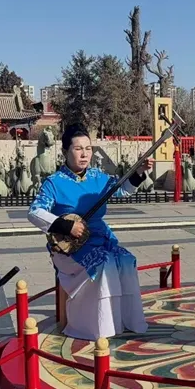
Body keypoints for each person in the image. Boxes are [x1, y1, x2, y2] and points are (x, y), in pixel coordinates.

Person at [28, 125, 152, 341]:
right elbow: (35, 211)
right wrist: (66, 226)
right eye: (78, 149)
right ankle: (97, 327)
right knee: (104, 264)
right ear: (65, 151)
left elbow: (122, 190)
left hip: (101, 239)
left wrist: (139, 172)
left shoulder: (98, 177)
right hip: (69, 248)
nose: (84, 154)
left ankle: (125, 321)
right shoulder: (54, 183)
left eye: (88, 148)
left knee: (125, 261)